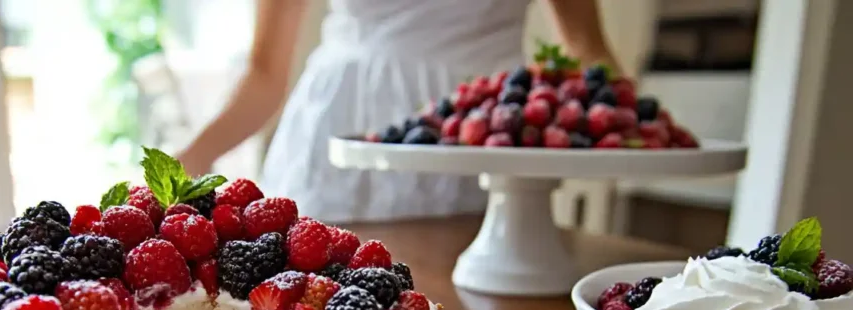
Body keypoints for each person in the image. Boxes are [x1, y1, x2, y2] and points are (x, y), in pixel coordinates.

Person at [177, 0, 622, 223]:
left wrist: (623, 111)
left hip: (484, 139)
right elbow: (265, 75)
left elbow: (586, 48)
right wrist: (190, 158)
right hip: (338, 144)